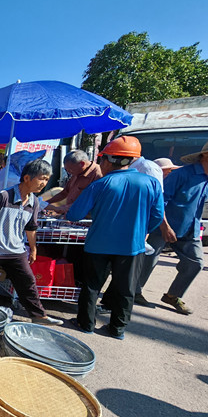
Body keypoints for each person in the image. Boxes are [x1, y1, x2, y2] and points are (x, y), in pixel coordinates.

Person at [67, 136, 164, 339]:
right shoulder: (152, 184)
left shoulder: (101, 184)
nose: (101, 164)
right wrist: (139, 231)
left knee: (92, 286)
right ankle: (117, 329)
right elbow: (156, 217)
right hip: (132, 246)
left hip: (98, 245)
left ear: (110, 160)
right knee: (125, 288)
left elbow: (74, 214)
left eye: (102, 160)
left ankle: (86, 324)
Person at [0, 159, 63, 326]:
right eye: (42, 178)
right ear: (27, 178)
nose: (44, 183)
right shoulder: (4, 196)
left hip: (16, 249)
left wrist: (33, 249)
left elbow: (31, 228)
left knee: (27, 281)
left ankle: (38, 316)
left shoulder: (35, 202)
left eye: (47, 179)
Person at [133, 137, 208, 314]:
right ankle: (134, 292)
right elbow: (160, 201)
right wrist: (165, 226)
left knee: (196, 262)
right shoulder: (181, 174)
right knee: (149, 258)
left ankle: (173, 295)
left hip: (189, 228)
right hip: (163, 225)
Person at [45, 150, 102, 214]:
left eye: (70, 170)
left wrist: (67, 207)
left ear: (82, 164)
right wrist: (46, 204)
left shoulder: (99, 175)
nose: (69, 172)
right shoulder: (76, 172)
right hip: (72, 215)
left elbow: (93, 200)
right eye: (67, 170)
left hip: (86, 218)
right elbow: (64, 193)